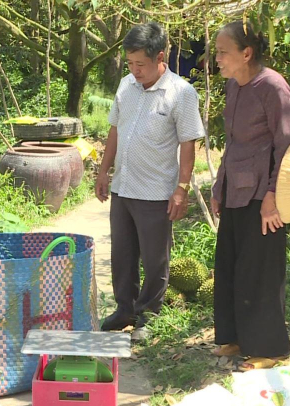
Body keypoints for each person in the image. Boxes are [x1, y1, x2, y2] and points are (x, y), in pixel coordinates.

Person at [96, 23, 205, 339]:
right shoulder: (126, 86)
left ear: (161, 57)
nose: (134, 70)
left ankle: (149, 315)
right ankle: (124, 310)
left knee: (155, 259)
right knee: (122, 254)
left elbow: (188, 143)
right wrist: (104, 172)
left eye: (140, 64)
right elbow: (115, 130)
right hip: (123, 187)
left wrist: (181, 189)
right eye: (130, 63)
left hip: (156, 191)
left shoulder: (181, 93)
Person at [210, 21, 290, 371]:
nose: (215, 59)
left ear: (246, 54)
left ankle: (269, 349)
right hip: (235, 192)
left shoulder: (274, 88)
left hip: (264, 196)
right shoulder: (235, 86)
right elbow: (232, 144)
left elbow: (287, 145)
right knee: (230, 266)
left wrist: (274, 195)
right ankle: (233, 337)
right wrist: (219, 186)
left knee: (260, 271)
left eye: (222, 52)